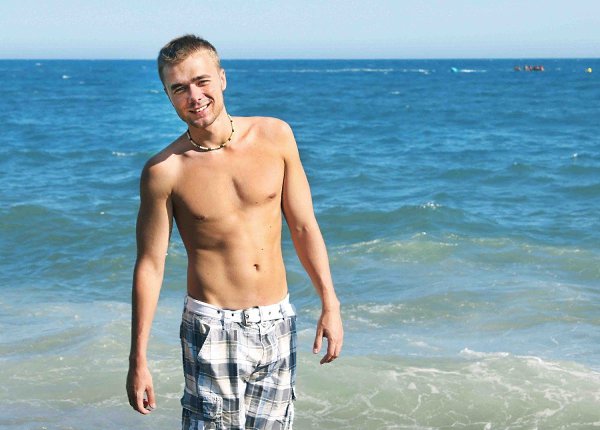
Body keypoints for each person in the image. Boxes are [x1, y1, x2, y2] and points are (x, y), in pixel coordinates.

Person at [126, 35, 344, 429]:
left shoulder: (275, 136)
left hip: (277, 320)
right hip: (211, 326)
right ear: (168, 96)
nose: (194, 96)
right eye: (179, 88)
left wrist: (330, 302)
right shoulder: (164, 171)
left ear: (222, 78)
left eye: (202, 81)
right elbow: (150, 265)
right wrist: (137, 359)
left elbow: (303, 225)